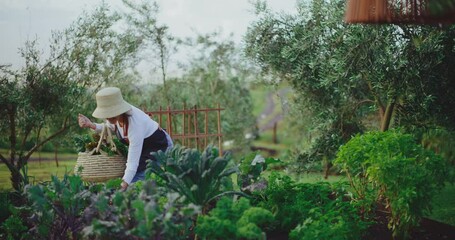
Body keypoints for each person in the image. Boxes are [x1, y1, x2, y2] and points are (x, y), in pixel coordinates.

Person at [78, 87, 173, 190]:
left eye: (111, 114)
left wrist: (123, 186)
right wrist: (92, 125)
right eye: (106, 115)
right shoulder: (117, 117)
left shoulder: (135, 125)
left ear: (119, 110)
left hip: (160, 147)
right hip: (145, 150)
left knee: (136, 183)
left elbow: (132, 163)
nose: (108, 118)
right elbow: (110, 127)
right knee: (135, 181)